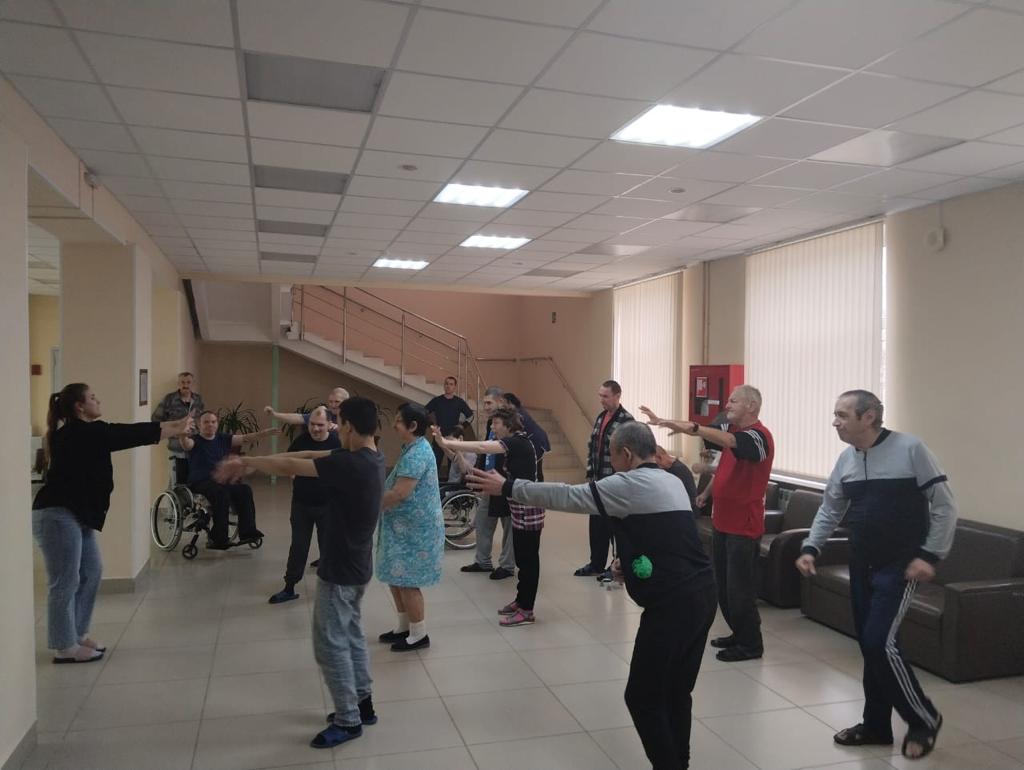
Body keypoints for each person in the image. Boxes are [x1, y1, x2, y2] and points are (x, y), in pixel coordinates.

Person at [467, 421, 715, 770]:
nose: (611, 465)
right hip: (702, 593)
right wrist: (629, 563)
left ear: (626, 454)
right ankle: (680, 762)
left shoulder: (628, 483)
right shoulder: (671, 479)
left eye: (612, 456)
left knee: (641, 697)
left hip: (673, 604)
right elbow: (668, 536)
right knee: (676, 690)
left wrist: (508, 486)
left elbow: (567, 496)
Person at [214, 396, 385, 749]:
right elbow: (307, 454)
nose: (334, 428)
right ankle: (363, 704)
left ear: (349, 427)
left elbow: (294, 464)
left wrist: (247, 461)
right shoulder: (370, 457)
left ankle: (348, 719)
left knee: (329, 644)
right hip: (356, 566)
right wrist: (253, 461)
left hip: (341, 569)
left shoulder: (351, 465)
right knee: (351, 634)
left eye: (338, 422)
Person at [796, 390, 955, 761]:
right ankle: (876, 726)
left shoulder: (910, 449)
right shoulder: (847, 459)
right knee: (871, 646)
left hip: (901, 566)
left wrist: (929, 555)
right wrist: (811, 547)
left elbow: (945, 506)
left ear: (868, 417)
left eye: (842, 415)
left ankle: (923, 718)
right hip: (861, 563)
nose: (835, 422)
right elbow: (830, 507)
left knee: (879, 642)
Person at [33, 383, 192, 663]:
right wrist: (175, 427)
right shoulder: (82, 432)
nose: (98, 400)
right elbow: (129, 433)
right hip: (57, 514)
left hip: (78, 514)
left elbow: (131, 432)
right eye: (93, 397)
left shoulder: (82, 432)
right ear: (80, 407)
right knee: (65, 581)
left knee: (92, 571)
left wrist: (176, 426)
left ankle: (77, 634)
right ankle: (64, 646)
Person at [641, 385, 773, 662]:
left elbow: (728, 441)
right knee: (723, 586)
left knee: (739, 590)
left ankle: (751, 645)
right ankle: (738, 633)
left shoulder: (759, 436)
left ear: (751, 406)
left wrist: (693, 428)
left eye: (733, 401)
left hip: (744, 527)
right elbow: (722, 463)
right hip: (722, 522)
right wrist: (665, 422)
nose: (727, 405)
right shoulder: (731, 432)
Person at [434, 407, 543, 627]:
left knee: (528, 560)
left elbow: (482, 447)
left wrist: (446, 441)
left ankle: (527, 610)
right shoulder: (516, 441)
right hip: (519, 505)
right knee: (523, 559)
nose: (493, 428)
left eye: (496, 424)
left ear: (508, 425)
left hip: (528, 508)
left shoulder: (517, 442)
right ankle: (521, 601)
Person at [376, 403, 445, 652]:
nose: (394, 425)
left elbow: (400, 493)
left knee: (407, 580)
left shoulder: (418, 453)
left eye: (398, 421)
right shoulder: (412, 448)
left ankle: (419, 634)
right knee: (396, 576)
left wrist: (367, 504)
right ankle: (404, 627)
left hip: (415, 530)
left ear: (413, 426)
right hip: (402, 527)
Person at [269, 406, 342, 604]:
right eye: (312, 424)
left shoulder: (337, 443)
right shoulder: (300, 441)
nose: (315, 429)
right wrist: (292, 473)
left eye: (320, 425)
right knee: (298, 546)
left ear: (329, 424)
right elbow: (288, 462)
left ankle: (331, 589)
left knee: (328, 548)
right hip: (302, 503)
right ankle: (289, 587)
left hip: (328, 506)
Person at [181, 411, 276, 549]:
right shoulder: (194, 440)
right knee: (221, 493)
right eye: (206, 422)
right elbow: (185, 444)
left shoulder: (223, 438)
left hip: (221, 480)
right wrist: (182, 434)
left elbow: (246, 438)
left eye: (213, 422)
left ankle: (248, 532)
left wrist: (265, 433)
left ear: (217, 424)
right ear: (199, 425)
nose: (210, 425)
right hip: (201, 482)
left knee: (244, 490)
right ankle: (218, 538)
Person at [576, 380, 633, 578]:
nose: (601, 400)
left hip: (615, 483)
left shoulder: (626, 420)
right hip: (598, 481)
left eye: (605, 396)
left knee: (615, 526)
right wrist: (590, 475)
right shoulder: (601, 417)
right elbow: (593, 448)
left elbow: (629, 454)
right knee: (597, 525)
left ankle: (616, 566)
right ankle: (596, 564)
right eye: (600, 396)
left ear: (617, 396)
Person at [459, 387, 516, 580]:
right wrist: (478, 474)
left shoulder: (510, 425)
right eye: (484, 403)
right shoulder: (491, 424)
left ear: (500, 402)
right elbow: (485, 451)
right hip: (488, 482)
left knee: (509, 526)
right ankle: (482, 562)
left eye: (489, 403)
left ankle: (507, 566)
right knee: (483, 522)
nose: (485, 407)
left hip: (504, 483)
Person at [152, 371, 204, 484]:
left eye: (188, 382)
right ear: (178, 383)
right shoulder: (169, 399)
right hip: (176, 448)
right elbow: (156, 419)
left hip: (194, 447)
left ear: (193, 384)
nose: (185, 385)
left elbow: (201, 420)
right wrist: (173, 430)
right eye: (182, 382)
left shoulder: (198, 399)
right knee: (176, 482)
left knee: (193, 480)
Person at [426, 375, 474, 470]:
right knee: (435, 463)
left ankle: (450, 480)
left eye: (451, 384)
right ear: (444, 386)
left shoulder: (459, 402)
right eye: (446, 384)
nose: (448, 386)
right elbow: (424, 412)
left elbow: (471, 416)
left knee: (453, 465)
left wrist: (462, 426)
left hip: (453, 437)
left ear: (455, 387)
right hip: (439, 436)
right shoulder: (437, 400)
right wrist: (431, 425)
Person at [501, 392, 550, 480]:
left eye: (503, 402)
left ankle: (536, 486)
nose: (502, 405)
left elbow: (515, 431)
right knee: (537, 469)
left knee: (534, 469)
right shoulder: (519, 411)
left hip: (536, 440)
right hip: (538, 438)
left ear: (510, 402)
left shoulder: (517, 414)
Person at [264, 386, 349, 429]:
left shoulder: (353, 417)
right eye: (330, 401)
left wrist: (339, 428)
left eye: (337, 402)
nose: (333, 405)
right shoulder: (325, 414)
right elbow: (298, 418)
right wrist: (274, 414)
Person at [654, 445, 698, 511]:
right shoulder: (670, 468)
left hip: (688, 510)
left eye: (657, 464)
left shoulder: (678, 469)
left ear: (660, 457)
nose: (657, 467)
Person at [438, 424, 477, 495]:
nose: (449, 446)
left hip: (458, 489)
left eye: (451, 442)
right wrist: (440, 442)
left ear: (460, 438)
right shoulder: (455, 454)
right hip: (450, 486)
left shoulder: (471, 454)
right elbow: (448, 453)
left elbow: (464, 470)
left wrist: (457, 449)